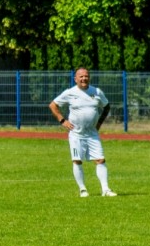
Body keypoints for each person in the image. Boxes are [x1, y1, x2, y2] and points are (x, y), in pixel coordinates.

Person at [49, 68, 116, 197]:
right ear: (75, 79)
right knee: (77, 160)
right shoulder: (69, 92)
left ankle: (106, 190)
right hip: (76, 134)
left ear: (89, 78)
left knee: (100, 160)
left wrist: (99, 123)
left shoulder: (96, 92)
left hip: (92, 134)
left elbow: (106, 107)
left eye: (86, 76)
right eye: (81, 76)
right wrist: (62, 120)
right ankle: (83, 189)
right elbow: (53, 105)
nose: (84, 79)